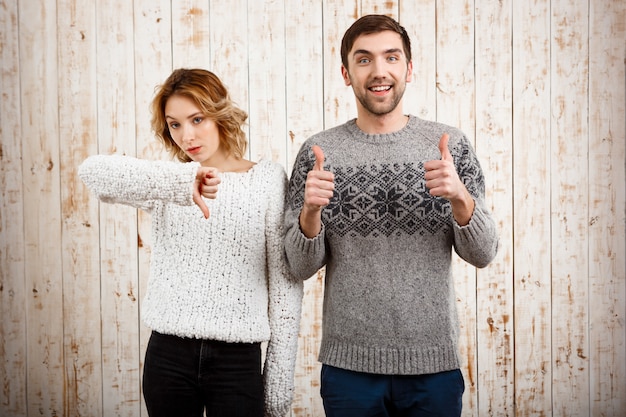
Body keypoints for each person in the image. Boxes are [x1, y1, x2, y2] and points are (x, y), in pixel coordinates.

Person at [284, 14, 498, 417]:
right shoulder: (319, 152)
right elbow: (298, 266)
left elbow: (484, 253)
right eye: (364, 59)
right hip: (348, 369)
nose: (379, 71)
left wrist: (460, 198)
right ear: (346, 73)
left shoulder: (448, 146)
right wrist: (310, 213)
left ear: (409, 68)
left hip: (433, 365)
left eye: (391, 58)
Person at [79, 68, 303, 417]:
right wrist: (181, 182)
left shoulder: (267, 180)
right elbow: (92, 173)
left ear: (219, 115)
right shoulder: (169, 183)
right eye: (175, 124)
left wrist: (277, 385)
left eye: (197, 119)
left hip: (237, 358)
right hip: (168, 356)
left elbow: (285, 284)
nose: (187, 135)